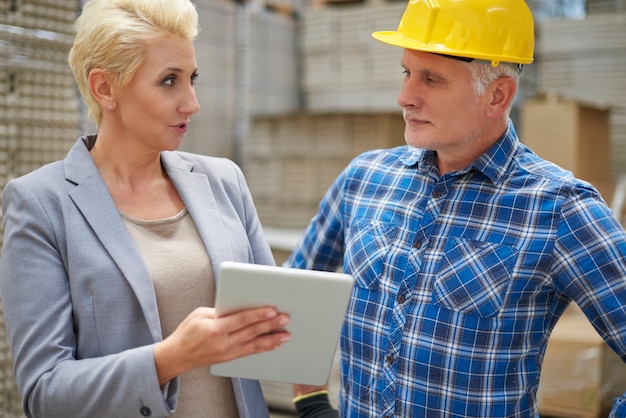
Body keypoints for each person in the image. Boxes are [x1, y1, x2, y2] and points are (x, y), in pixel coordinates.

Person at [288, 0, 626, 417]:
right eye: (407, 72)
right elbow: (292, 297)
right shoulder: (364, 179)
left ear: (497, 95)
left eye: (432, 79)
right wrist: (310, 402)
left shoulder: (559, 209)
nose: (405, 97)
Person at [0, 0, 291, 417]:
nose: (192, 103)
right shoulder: (40, 204)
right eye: (169, 81)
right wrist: (169, 357)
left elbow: (275, 328)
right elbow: (45, 393)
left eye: (192, 78)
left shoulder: (224, 182)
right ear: (105, 88)